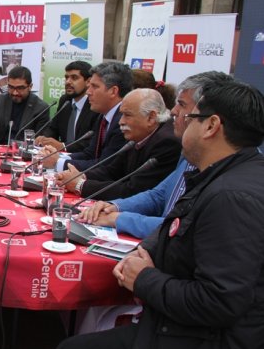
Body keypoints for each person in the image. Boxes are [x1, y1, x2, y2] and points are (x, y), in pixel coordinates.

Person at [53, 79, 264, 349]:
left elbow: (220, 301)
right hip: (188, 333)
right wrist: (148, 252)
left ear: (211, 126)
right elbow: (174, 224)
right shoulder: (217, 176)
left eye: (187, 113)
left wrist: (146, 278)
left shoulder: (233, 196)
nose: (176, 118)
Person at [78, 71, 233, 239]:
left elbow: (180, 229)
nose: (173, 111)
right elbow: (158, 195)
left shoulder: (228, 182)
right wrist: (114, 206)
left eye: (181, 105)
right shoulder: (190, 153)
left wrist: (121, 218)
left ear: (210, 123)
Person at [56, 88, 180, 200]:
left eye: (127, 115)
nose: (121, 121)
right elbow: (111, 171)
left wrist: (80, 185)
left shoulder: (167, 143)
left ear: (151, 117)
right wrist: (80, 176)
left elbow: (134, 190)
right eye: (121, 115)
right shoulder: (139, 133)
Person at [41, 61, 132, 171]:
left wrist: (58, 162)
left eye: (94, 86)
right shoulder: (104, 116)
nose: (88, 92)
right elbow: (90, 154)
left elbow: (105, 165)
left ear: (113, 91)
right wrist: (58, 157)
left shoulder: (123, 121)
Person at [35, 61, 99, 153]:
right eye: (66, 77)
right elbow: (53, 128)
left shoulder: (94, 105)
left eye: (74, 78)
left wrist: (63, 146)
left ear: (88, 81)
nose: (68, 82)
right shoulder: (65, 100)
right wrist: (45, 138)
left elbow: (91, 142)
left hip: (84, 160)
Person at [0, 66, 51, 145]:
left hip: (23, 151)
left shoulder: (41, 108)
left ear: (30, 87)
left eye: (20, 88)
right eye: (11, 87)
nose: (15, 93)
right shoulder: (0, 100)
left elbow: (40, 138)